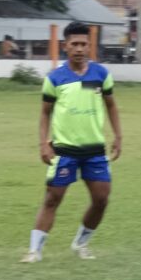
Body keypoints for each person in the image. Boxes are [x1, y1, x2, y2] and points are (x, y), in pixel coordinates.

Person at [20, 22, 123, 263]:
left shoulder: (100, 75)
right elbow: (45, 112)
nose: (79, 49)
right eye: (74, 44)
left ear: (90, 46)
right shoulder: (55, 78)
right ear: (65, 46)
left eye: (83, 44)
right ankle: (34, 250)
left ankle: (81, 243)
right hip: (64, 149)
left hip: (94, 149)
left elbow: (111, 106)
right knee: (52, 199)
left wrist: (118, 137)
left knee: (101, 199)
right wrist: (43, 143)